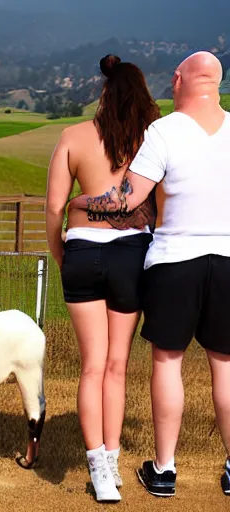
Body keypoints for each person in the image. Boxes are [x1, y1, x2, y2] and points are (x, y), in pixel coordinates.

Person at [68, 51, 230, 498]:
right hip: (228, 258)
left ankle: (163, 470)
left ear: (179, 79)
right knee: (226, 367)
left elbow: (124, 200)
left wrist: (80, 205)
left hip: (176, 258)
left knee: (168, 362)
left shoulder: (164, 131)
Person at [45, 54, 160, 502]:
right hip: (131, 256)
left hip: (81, 254)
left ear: (103, 93)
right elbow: (159, 208)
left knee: (91, 367)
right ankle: (111, 462)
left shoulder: (72, 137)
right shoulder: (150, 141)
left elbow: (55, 207)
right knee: (116, 367)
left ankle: (97, 467)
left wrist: (62, 256)